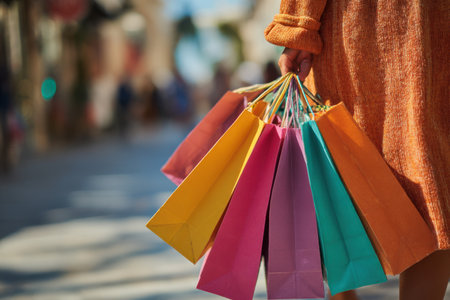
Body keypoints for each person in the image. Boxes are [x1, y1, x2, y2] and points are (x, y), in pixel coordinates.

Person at [265, 1, 449, 300]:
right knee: (432, 178)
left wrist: (298, 25)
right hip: (432, 23)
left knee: (332, 179)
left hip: (359, 27)